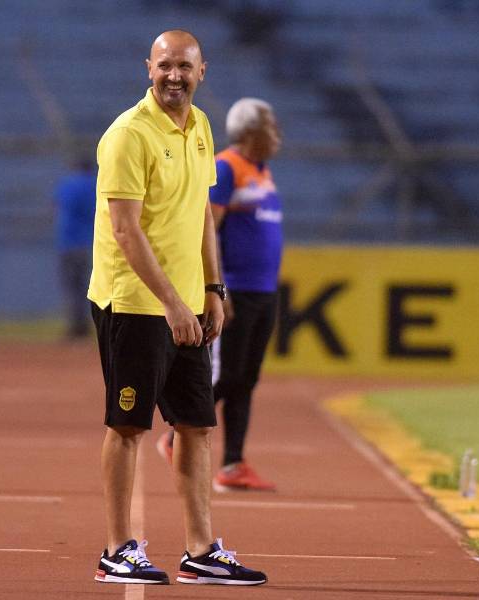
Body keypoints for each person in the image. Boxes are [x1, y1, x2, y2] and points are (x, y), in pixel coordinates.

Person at [88, 30, 267, 586]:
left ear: (202, 71)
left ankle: (201, 549)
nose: (174, 76)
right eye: (165, 65)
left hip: (189, 305)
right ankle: (117, 548)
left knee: (195, 426)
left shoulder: (202, 128)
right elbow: (124, 231)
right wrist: (172, 304)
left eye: (184, 67)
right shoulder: (128, 135)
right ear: (148, 68)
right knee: (128, 426)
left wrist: (213, 291)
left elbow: (201, 220)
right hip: (135, 303)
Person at [157, 97, 283, 493]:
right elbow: (207, 229)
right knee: (227, 375)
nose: (277, 132)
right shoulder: (227, 167)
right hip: (238, 291)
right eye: (269, 124)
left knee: (246, 379)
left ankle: (233, 464)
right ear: (250, 131)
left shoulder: (262, 171)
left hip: (264, 290)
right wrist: (219, 287)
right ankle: (176, 436)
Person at [54, 157, 97, 339]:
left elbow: (57, 205)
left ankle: (75, 327)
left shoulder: (69, 184)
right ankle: (86, 326)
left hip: (69, 242)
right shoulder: (97, 184)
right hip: (90, 243)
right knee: (89, 288)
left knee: (72, 287)